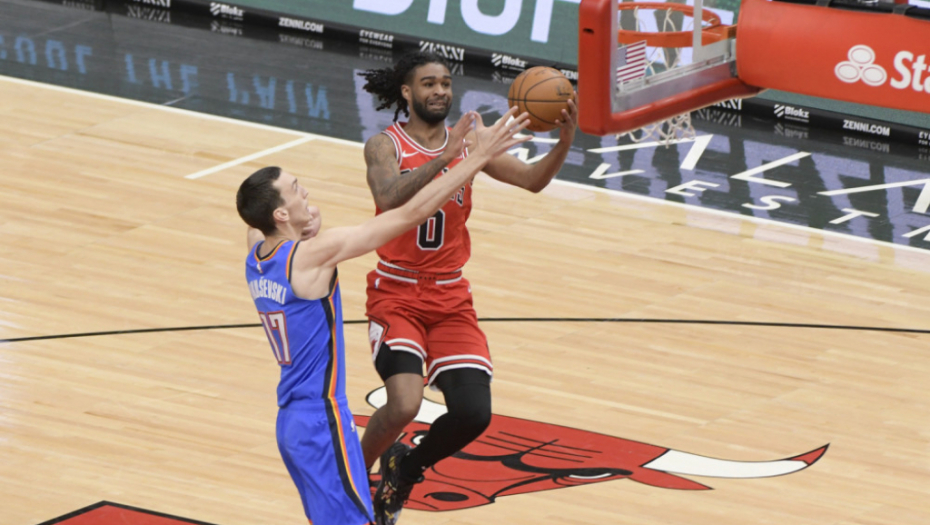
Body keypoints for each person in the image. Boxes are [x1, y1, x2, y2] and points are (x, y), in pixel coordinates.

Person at [235, 106, 530, 525]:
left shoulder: (257, 256)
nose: (306, 193)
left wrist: (299, 227)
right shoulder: (311, 256)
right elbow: (409, 214)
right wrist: (474, 157)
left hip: (291, 422)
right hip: (321, 419)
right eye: (296, 190)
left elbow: (257, 227)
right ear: (280, 214)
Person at [358, 51, 578, 525]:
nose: (440, 91)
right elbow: (388, 198)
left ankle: (404, 468)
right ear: (407, 92)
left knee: (475, 414)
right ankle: (349, 480)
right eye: (428, 83)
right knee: (404, 404)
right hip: (397, 292)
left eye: (445, 83)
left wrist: (564, 142)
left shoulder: (473, 142)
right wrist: (448, 157)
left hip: (450, 297)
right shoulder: (384, 145)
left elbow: (532, 181)